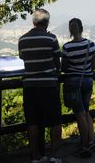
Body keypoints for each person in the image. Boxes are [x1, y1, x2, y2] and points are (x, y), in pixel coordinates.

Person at [18, 9, 62, 163]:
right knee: (55, 121)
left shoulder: (22, 39)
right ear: (47, 22)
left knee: (32, 122)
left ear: (33, 22)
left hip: (29, 86)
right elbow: (58, 62)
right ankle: (54, 155)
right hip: (48, 85)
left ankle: (36, 156)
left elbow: (23, 58)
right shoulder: (51, 38)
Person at [61, 18, 95, 158]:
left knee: (80, 113)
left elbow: (63, 68)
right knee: (86, 111)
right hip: (88, 81)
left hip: (73, 83)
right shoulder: (91, 44)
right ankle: (92, 140)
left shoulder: (67, 47)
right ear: (82, 28)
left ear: (70, 30)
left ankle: (85, 146)